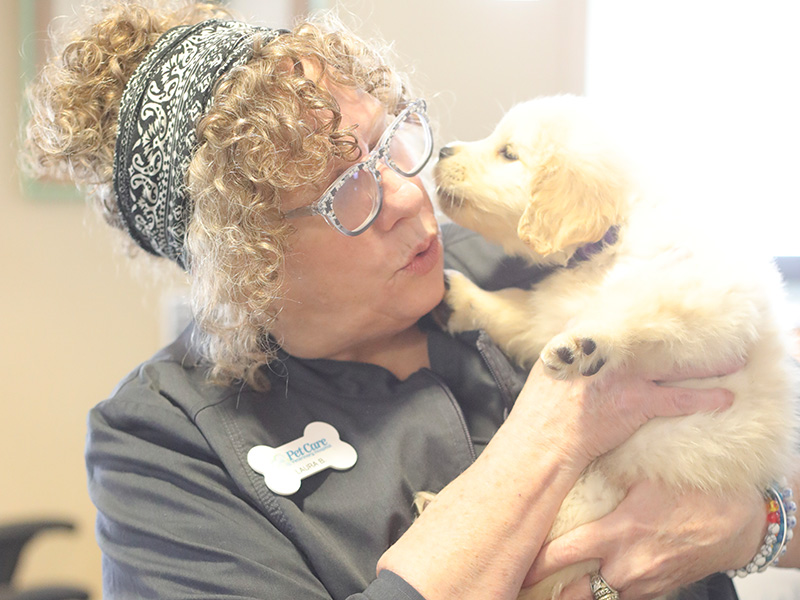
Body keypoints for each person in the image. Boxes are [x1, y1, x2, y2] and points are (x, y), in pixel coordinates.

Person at [23, 2, 800, 599]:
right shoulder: (161, 445)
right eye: (344, 190)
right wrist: (557, 429)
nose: (405, 193)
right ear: (248, 263)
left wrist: (752, 525)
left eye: (389, 140)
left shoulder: (524, 260)